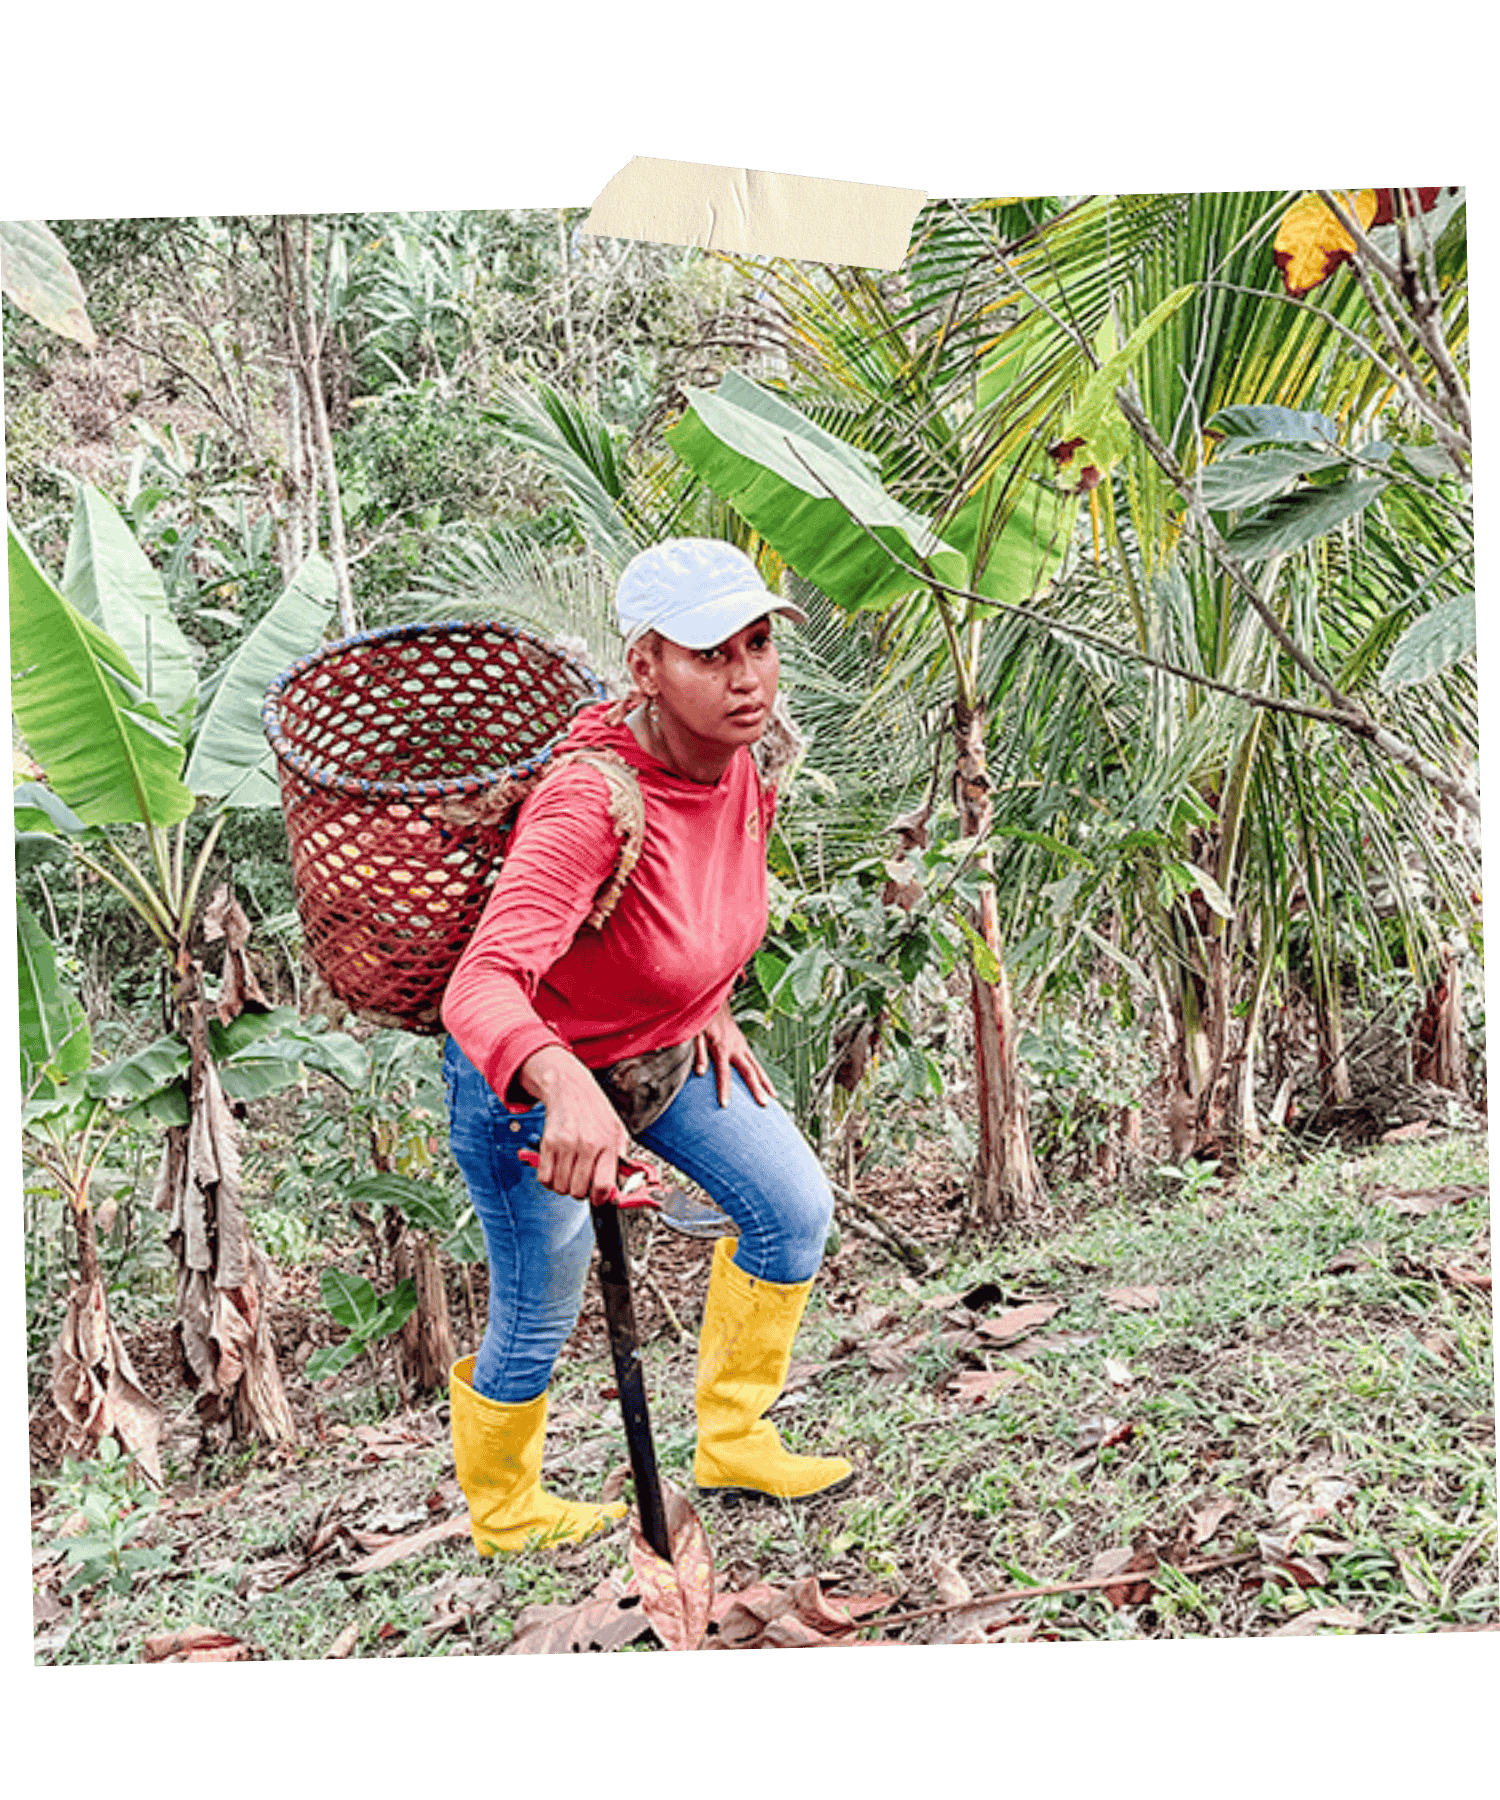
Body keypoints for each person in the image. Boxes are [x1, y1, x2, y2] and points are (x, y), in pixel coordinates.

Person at [440, 538, 853, 1555]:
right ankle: (506, 1511)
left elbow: (698, 909)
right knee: (543, 1304)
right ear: (646, 667)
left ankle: (734, 1436)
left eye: (758, 644)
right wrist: (562, 1085)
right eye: (712, 653)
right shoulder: (589, 801)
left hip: (664, 1053)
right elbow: (480, 983)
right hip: (533, 1083)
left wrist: (707, 1000)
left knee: (792, 1210)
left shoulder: (743, 759)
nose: (747, 675)